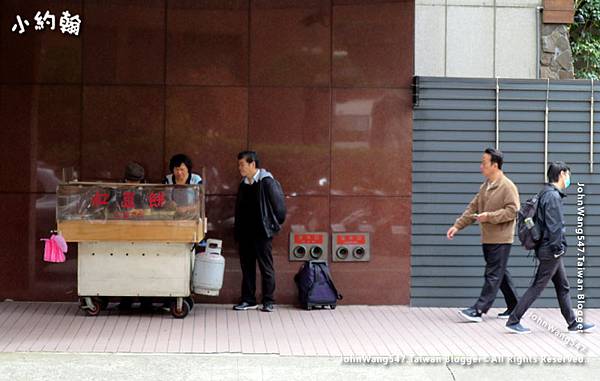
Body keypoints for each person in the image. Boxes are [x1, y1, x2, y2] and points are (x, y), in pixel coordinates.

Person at [505, 162, 595, 334]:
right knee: (537, 286)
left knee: (563, 286)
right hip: (551, 250)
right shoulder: (553, 197)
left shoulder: (545, 193)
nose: (569, 178)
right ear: (561, 174)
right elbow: (555, 227)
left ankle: (573, 323)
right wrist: (557, 249)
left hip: (547, 249)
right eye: (568, 174)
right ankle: (513, 320)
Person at [447, 148, 520, 322]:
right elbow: (473, 208)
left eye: (484, 163)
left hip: (501, 239)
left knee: (492, 274)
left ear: (495, 165)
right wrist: (457, 226)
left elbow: (513, 211)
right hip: (488, 238)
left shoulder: (507, 186)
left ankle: (479, 310)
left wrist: (489, 217)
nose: (481, 166)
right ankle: (515, 307)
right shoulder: (485, 187)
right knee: (499, 273)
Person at [233, 151, 286, 312]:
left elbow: (280, 209)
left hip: (262, 233)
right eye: (239, 165)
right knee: (247, 268)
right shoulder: (243, 184)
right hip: (245, 233)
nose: (239, 168)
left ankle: (268, 301)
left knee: (266, 267)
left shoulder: (267, 182)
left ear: (252, 164)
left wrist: (271, 226)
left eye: (242, 164)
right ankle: (248, 300)